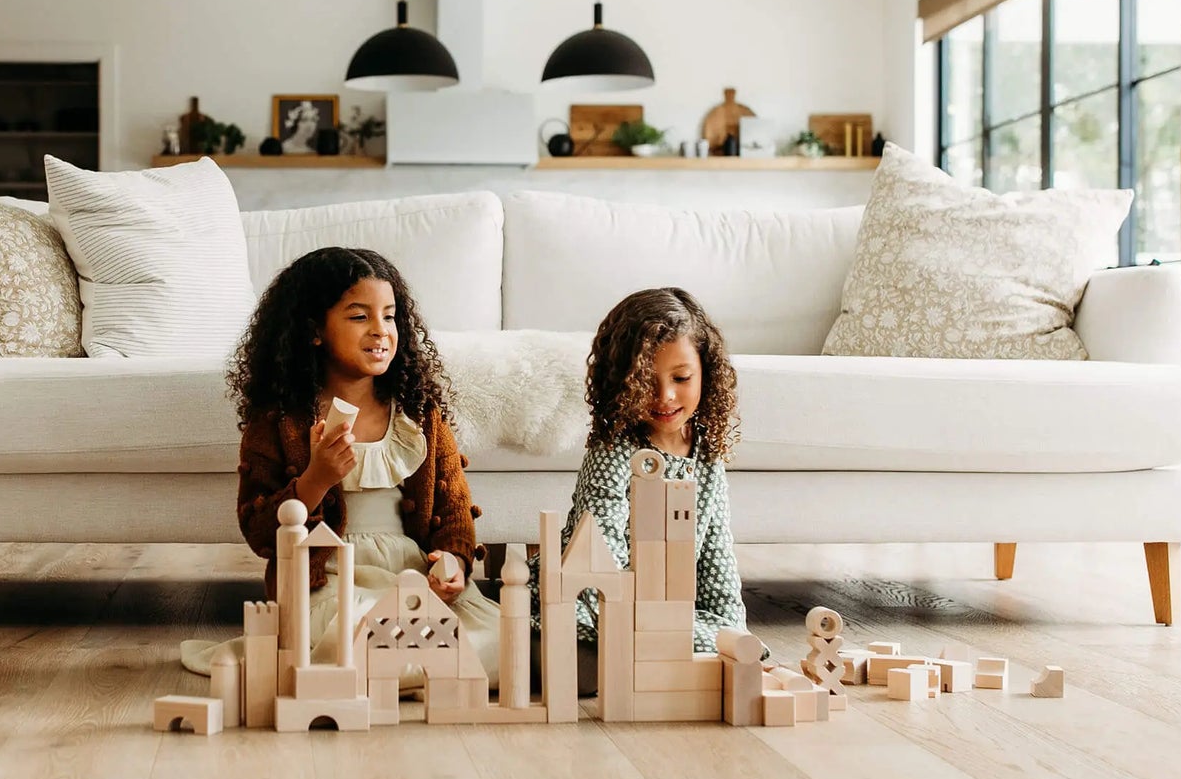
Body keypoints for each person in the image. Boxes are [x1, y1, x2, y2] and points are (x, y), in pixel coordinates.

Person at [182, 247, 499, 688]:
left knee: (505, 642)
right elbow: (258, 529)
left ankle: (404, 664)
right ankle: (401, 664)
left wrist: (452, 561)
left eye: (389, 316)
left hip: (411, 576)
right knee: (361, 632)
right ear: (313, 330)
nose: (380, 331)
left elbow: (455, 510)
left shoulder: (418, 413)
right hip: (328, 580)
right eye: (359, 317)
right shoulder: (281, 419)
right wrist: (316, 479)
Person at [532, 286, 759, 692]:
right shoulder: (615, 446)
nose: (665, 396)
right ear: (621, 382)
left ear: (706, 372)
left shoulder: (706, 451)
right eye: (645, 382)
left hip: (665, 607)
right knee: (587, 655)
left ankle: (659, 652)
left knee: (733, 644)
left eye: (681, 378)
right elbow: (601, 553)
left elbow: (716, 555)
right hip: (597, 597)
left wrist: (735, 632)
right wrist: (635, 621)